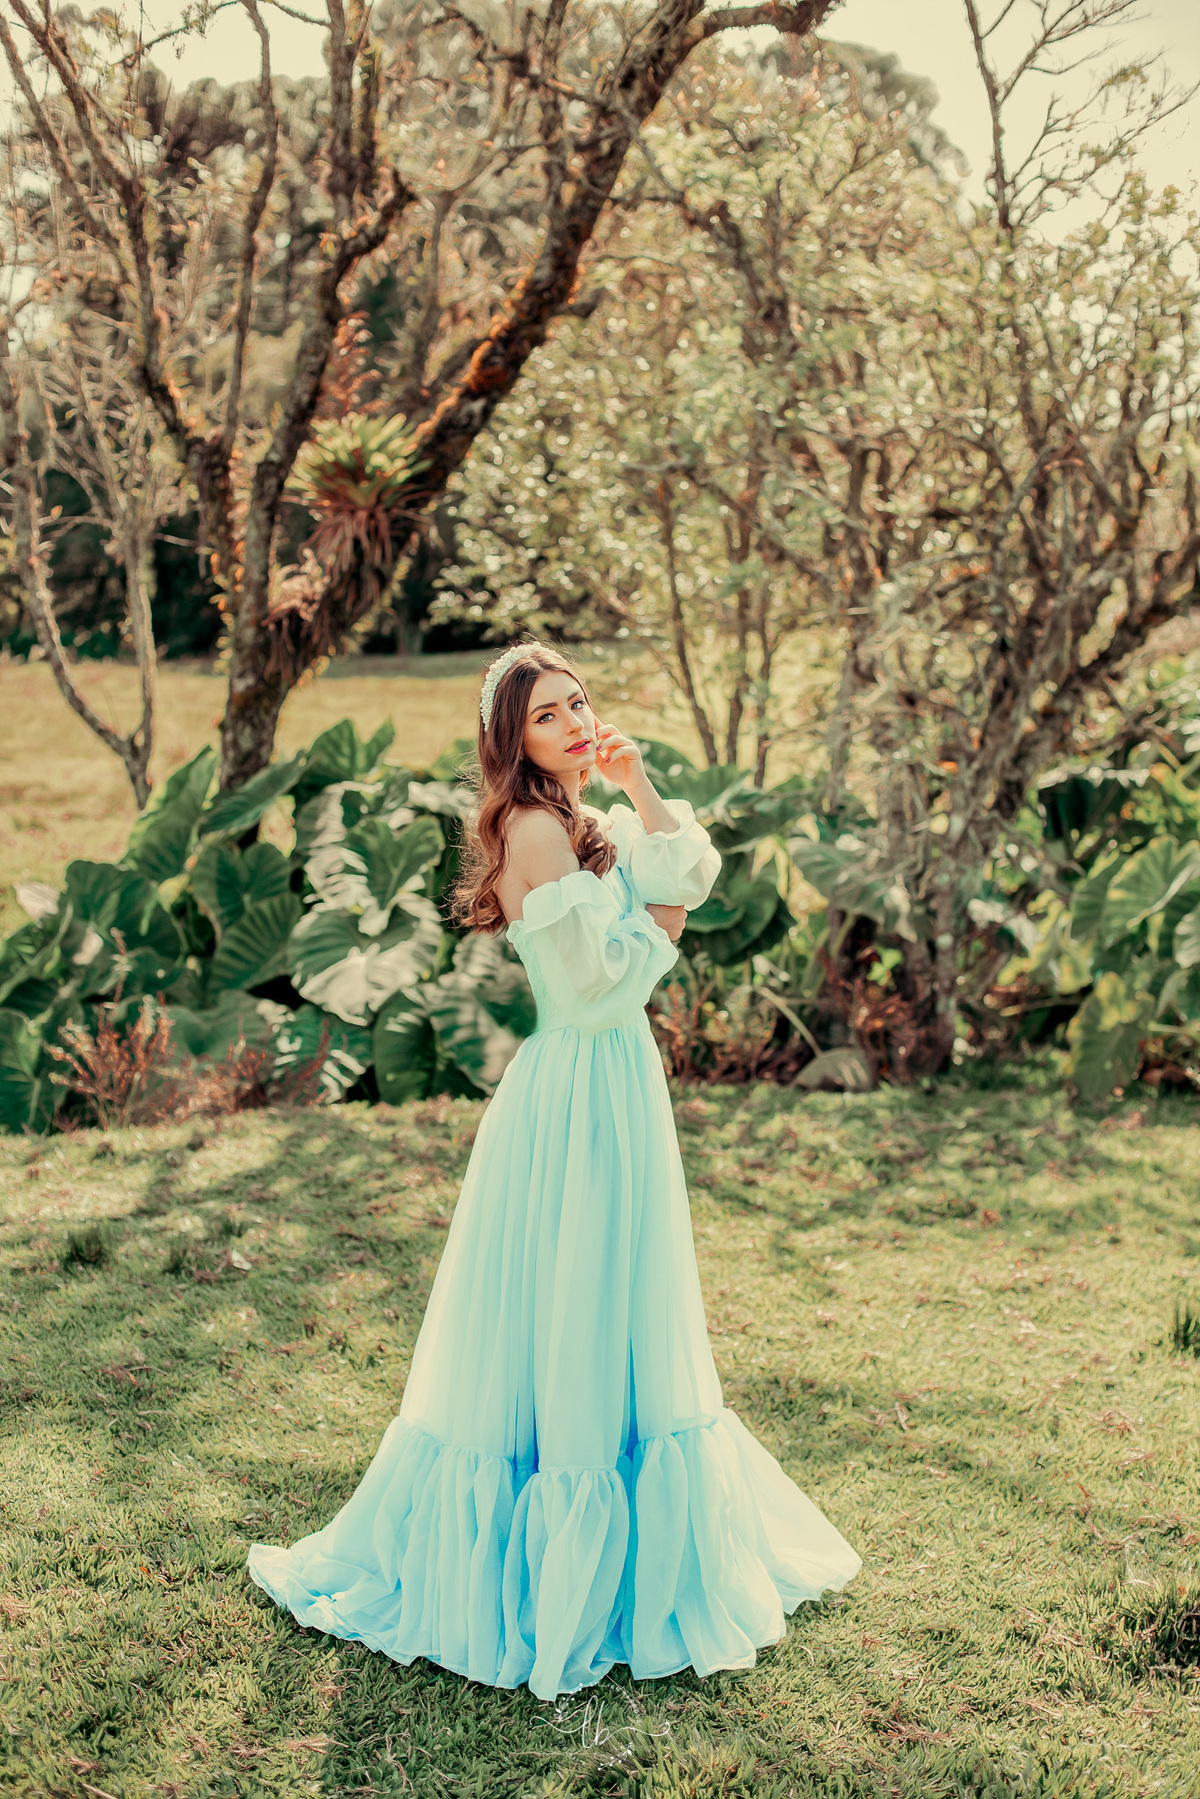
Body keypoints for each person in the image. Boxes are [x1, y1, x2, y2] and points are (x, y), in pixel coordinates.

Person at [247, 639, 861, 1702]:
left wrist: (639, 782)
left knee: (611, 1296)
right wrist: (662, 925)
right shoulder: (533, 828)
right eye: (547, 715)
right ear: (512, 740)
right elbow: (600, 989)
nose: (575, 723)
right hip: (579, 1089)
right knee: (577, 1296)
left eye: (579, 702)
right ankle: (562, 1564)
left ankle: (614, 1544)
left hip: (616, 1085)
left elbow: (691, 868)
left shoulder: (583, 815)